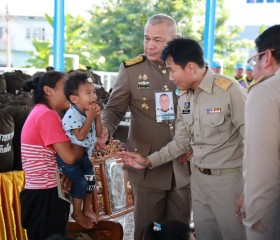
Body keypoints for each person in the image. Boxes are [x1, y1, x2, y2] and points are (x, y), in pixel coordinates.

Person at [116, 38, 247, 240]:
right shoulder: (185, 97)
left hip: (229, 182)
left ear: (191, 67)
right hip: (198, 181)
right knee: (205, 235)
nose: (170, 77)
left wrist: (250, 189)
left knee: (234, 235)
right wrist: (149, 161)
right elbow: (180, 142)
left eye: (171, 70)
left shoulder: (229, 91)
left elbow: (254, 141)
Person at [101, 14, 191, 240]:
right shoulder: (131, 70)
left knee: (178, 232)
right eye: (147, 38)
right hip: (147, 166)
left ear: (175, 39)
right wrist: (104, 129)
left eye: (158, 40)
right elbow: (114, 109)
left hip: (183, 166)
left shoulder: (188, 68)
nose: (150, 45)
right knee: (148, 231)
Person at [20, 71, 95, 240]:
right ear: (48, 90)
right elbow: (70, 157)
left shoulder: (42, 112)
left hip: (45, 192)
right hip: (45, 196)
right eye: (66, 88)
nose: (71, 93)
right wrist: (84, 133)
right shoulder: (47, 115)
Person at [243, 24, 280, 240]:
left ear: (267, 56)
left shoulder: (266, 91)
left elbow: (262, 169)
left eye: (255, 59)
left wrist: (256, 219)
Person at [56, 71, 100, 228]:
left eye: (94, 91)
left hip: (83, 156)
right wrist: (90, 118)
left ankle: (86, 209)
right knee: (81, 182)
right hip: (69, 159)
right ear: (74, 99)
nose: (93, 96)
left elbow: (100, 133)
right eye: (88, 93)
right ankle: (76, 212)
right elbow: (80, 136)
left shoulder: (88, 112)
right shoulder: (71, 115)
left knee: (91, 179)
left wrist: (98, 117)